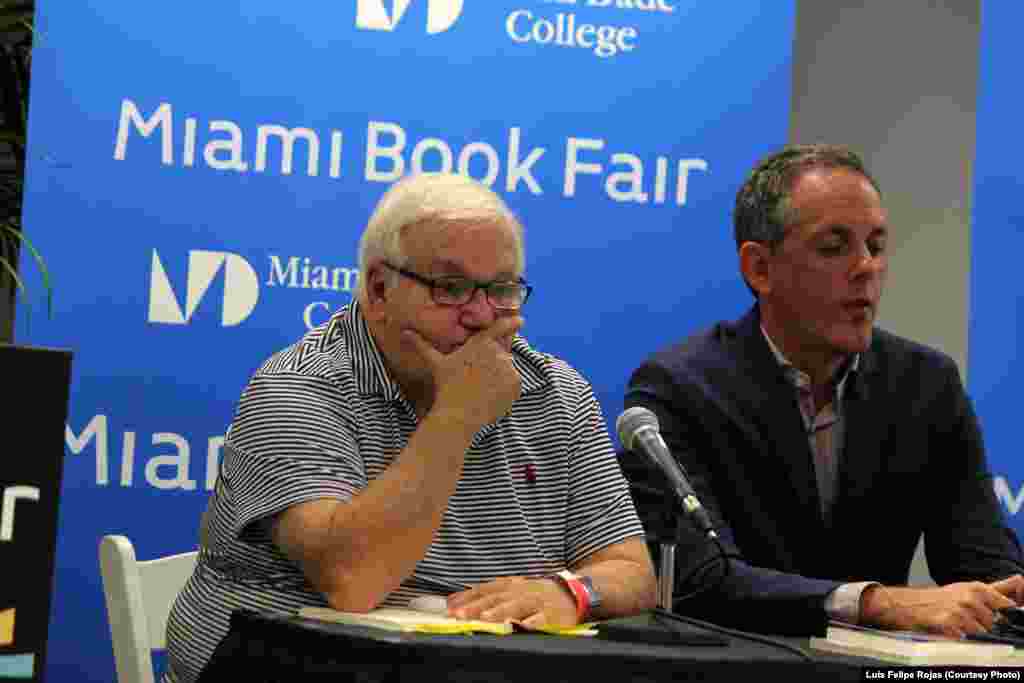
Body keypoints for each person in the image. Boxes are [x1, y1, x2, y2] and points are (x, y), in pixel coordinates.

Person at [164, 172, 656, 682]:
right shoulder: (298, 388)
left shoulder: (555, 392)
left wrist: (570, 592)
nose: (482, 315)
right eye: (452, 288)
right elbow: (353, 579)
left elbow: (633, 573)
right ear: (379, 288)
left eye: (502, 290)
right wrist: (458, 415)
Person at [623, 143, 1024, 638]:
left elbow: (981, 564)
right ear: (759, 269)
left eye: (876, 246)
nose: (866, 268)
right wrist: (876, 603)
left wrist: (1005, 595)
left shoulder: (926, 384)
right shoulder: (680, 388)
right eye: (834, 247)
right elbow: (698, 580)